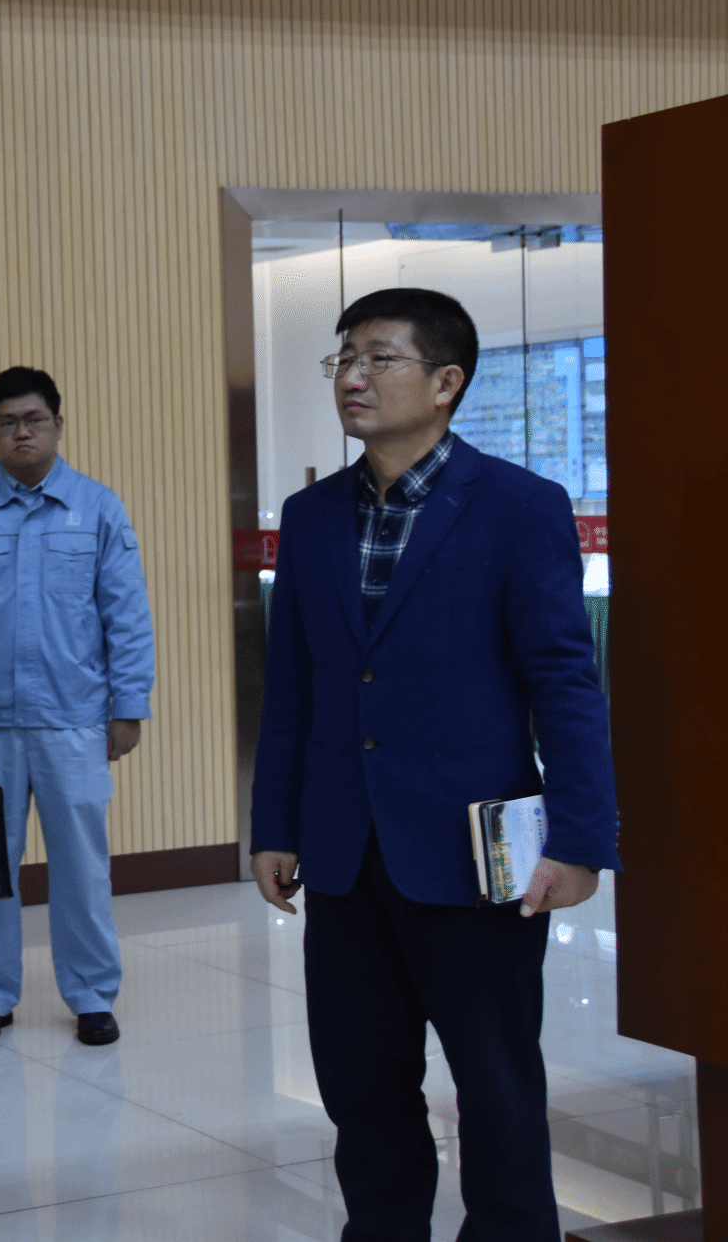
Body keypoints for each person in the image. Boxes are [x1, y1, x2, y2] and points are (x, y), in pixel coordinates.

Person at [251, 287, 618, 1241]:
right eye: (343, 359)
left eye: (379, 357)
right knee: (362, 1086)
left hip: (477, 854)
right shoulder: (313, 516)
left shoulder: (520, 508)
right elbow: (293, 688)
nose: (353, 376)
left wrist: (581, 839)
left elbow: (564, 683)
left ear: (447, 381)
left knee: (496, 1086)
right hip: (346, 851)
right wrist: (275, 825)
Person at [0, 366, 153, 1047]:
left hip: (75, 720)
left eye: (34, 419)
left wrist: (129, 704)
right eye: (7, 422)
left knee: (82, 866)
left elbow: (126, 615)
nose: (22, 432)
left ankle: (92, 993)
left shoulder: (98, 508)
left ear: (58, 424)